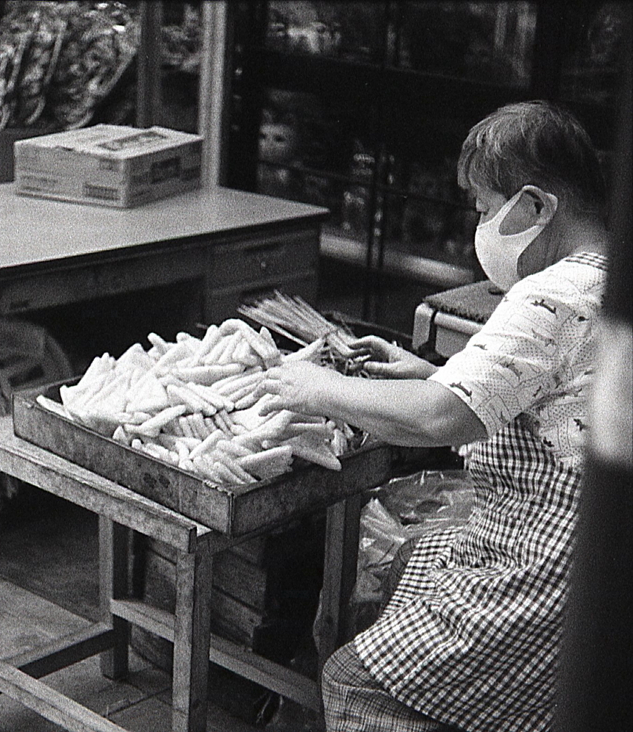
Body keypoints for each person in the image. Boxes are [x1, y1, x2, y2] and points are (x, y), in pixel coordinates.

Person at [257, 100, 610, 731]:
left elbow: (438, 420)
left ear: (535, 206)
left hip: (549, 566)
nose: (478, 226)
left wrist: (316, 388)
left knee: (353, 684)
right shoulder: (610, 278)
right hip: (598, 556)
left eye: (482, 208)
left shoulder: (553, 291)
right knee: (408, 563)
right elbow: (555, 399)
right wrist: (431, 372)